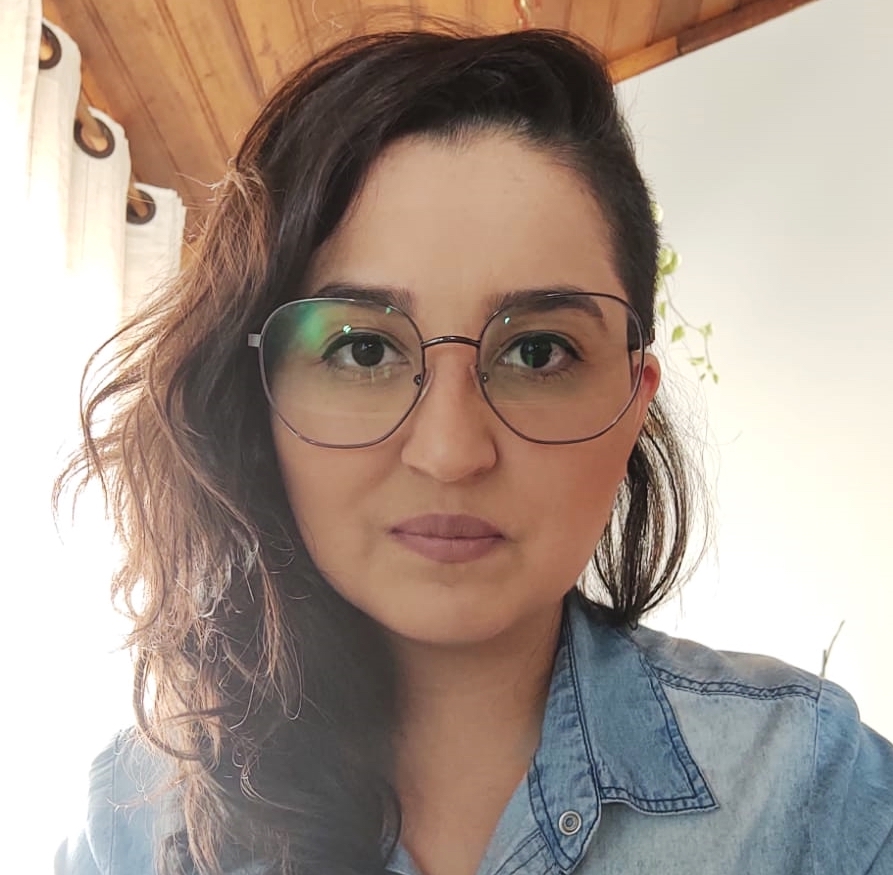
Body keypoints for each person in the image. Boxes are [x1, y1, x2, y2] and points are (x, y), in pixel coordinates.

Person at [55, 24, 893, 875]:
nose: (451, 452)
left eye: (537, 351)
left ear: (631, 404)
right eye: (362, 349)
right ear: (257, 396)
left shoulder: (809, 790)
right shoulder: (135, 820)